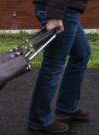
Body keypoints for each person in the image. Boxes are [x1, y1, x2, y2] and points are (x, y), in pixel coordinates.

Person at [28, 0, 91, 133]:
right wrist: (55, 14)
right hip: (60, 8)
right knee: (54, 64)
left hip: (67, 9)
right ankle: (39, 119)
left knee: (82, 54)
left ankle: (67, 106)